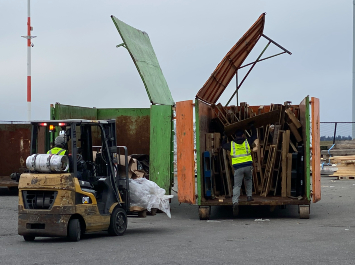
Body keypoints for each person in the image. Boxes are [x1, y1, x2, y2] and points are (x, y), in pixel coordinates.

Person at [221, 126, 257, 215]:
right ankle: (249, 196)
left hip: (238, 168)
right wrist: (253, 127)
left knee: (237, 185)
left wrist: (225, 136)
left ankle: (235, 202)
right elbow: (254, 136)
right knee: (248, 180)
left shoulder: (231, 144)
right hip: (248, 166)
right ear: (243, 135)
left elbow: (223, 145)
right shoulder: (247, 142)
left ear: (235, 136)